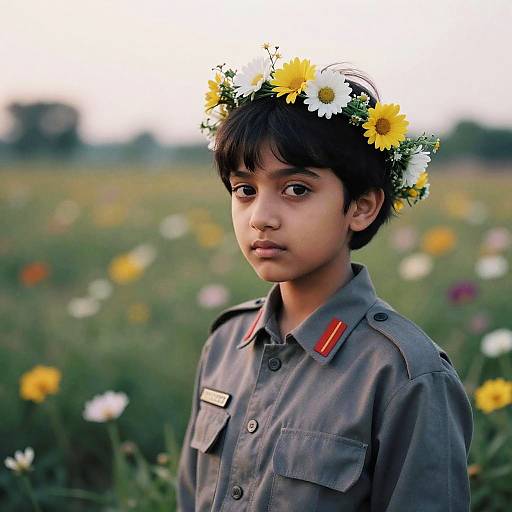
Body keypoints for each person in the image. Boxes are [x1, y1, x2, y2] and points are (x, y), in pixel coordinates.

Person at [177, 44, 473, 512]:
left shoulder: (406, 374)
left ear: (362, 206)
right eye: (245, 190)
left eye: (296, 189)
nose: (261, 217)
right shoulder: (225, 341)